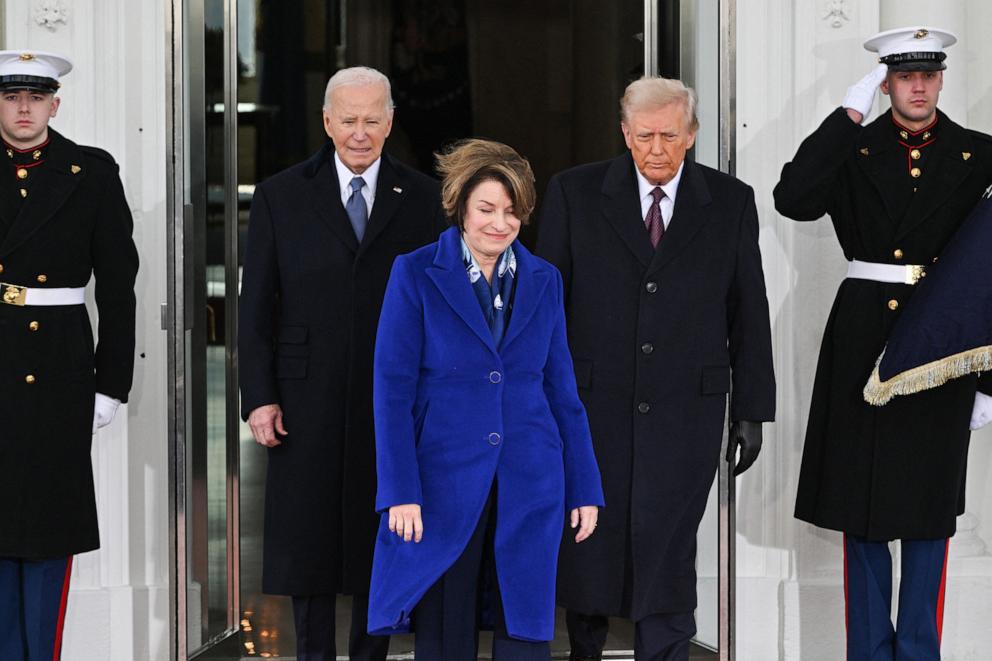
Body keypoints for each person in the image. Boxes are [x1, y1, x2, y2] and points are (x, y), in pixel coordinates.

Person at [537, 76, 776, 661]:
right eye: (644, 136)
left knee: (669, 546)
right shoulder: (574, 193)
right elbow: (544, 309)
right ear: (625, 133)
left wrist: (752, 410)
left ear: (691, 135)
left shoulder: (730, 201)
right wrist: (537, 402)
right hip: (592, 406)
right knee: (589, 540)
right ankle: (585, 651)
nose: (656, 149)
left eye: (670, 135)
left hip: (686, 410)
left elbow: (749, 308)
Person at [774, 26, 992, 660]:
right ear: (886, 81)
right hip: (863, 336)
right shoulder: (855, 147)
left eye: (927, 74)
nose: (917, 86)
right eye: (903, 75)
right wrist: (845, 116)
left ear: (943, 79)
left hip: (942, 344)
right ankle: (868, 653)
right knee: (862, 508)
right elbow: (793, 200)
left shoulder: (980, 154)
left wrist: (988, 382)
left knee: (929, 514)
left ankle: (920, 652)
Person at [366, 138, 605, 661]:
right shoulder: (415, 272)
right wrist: (399, 490)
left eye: (512, 211)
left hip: (531, 478)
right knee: (447, 632)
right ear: (460, 207)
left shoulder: (545, 279)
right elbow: (392, 389)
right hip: (442, 479)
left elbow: (563, 392)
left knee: (524, 624)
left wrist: (584, 485)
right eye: (487, 209)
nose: (500, 223)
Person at [238, 66, 445, 661]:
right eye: (348, 120)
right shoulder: (282, 194)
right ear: (327, 122)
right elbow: (256, 307)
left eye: (372, 120)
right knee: (308, 538)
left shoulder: (427, 198)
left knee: (375, 532)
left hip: (393, 394)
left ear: (390, 121)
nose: (360, 132)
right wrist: (259, 395)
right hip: (304, 395)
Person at [0, 50, 138, 660]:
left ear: (56, 104)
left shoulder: (91, 172)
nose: (24, 108)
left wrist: (111, 383)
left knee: (49, 521)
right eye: (11, 96)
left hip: (57, 365)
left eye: (36, 97)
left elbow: (117, 285)